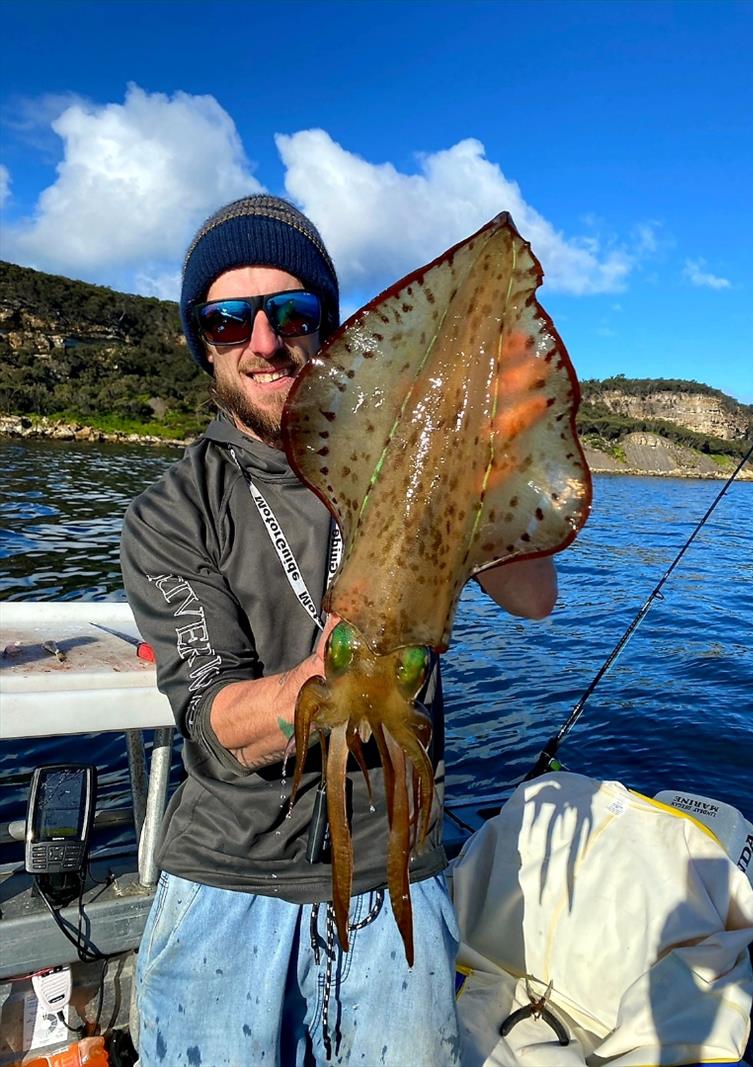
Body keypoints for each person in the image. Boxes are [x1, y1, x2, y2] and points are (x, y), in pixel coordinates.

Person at [120, 194, 557, 1067]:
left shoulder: (408, 455)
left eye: (291, 312)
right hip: (227, 878)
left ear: (328, 325)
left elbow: (533, 595)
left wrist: (492, 452)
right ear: (202, 342)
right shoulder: (174, 509)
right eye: (226, 320)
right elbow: (211, 723)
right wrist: (323, 675)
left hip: (401, 866)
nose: (264, 341)